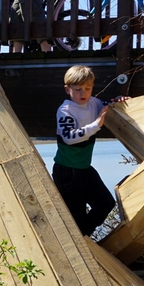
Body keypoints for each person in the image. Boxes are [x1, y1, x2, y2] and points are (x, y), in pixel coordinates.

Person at [52, 65, 128, 237]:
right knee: (75, 217)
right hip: (67, 171)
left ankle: (83, 236)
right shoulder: (65, 111)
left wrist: (118, 100)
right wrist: (95, 126)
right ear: (67, 89)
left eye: (88, 88)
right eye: (78, 89)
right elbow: (69, 138)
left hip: (84, 168)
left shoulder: (94, 103)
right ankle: (80, 239)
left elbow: (108, 106)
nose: (83, 93)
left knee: (105, 203)